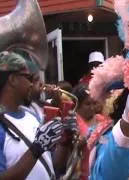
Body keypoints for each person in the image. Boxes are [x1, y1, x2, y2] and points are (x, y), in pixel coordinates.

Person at [0, 51, 75, 180]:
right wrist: (37, 148)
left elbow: (56, 166)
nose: (31, 84)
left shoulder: (32, 116)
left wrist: (65, 138)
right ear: (12, 80)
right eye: (28, 78)